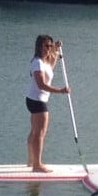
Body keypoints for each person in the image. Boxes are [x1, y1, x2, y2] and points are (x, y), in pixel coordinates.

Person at [25, 34, 70, 173]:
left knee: (34, 131)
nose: (48, 48)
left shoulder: (45, 61)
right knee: (40, 132)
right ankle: (37, 165)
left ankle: (31, 161)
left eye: (50, 46)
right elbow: (42, 85)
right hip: (37, 101)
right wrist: (61, 91)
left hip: (34, 99)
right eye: (46, 46)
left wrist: (56, 49)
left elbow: (51, 66)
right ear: (39, 46)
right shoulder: (37, 62)